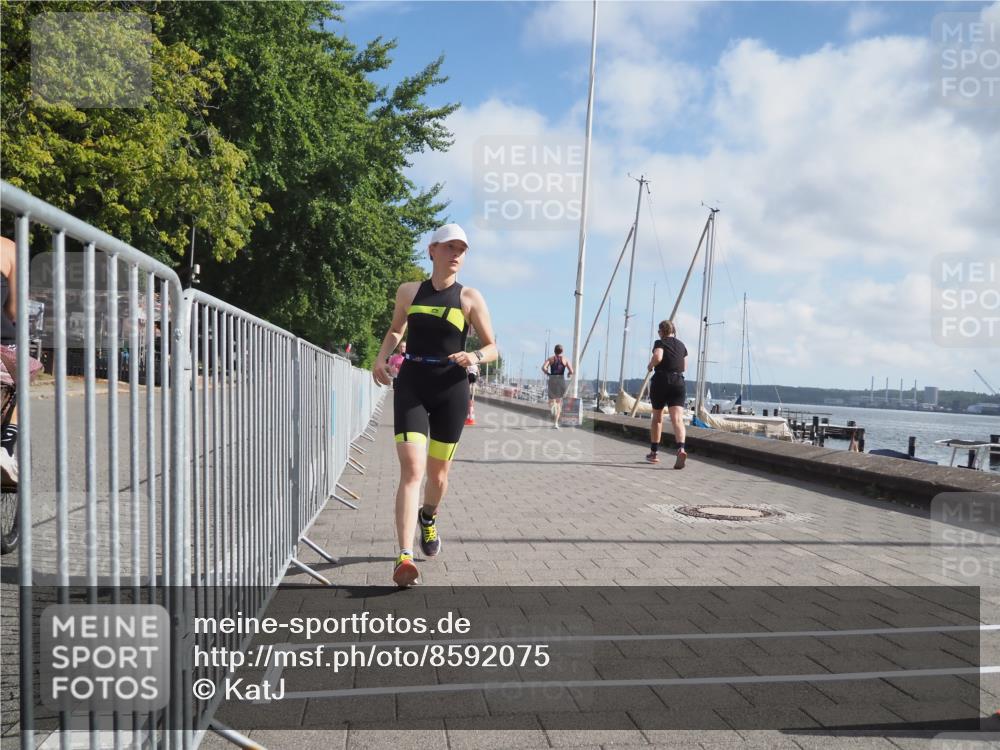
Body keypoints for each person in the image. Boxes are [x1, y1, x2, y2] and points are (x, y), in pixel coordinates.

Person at [372, 223, 498, 587]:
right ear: (432, 250)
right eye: (449, 247)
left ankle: (429, 517)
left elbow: (493, 346)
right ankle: (404, 556)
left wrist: (473, 354)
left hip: (451, 389)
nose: (456, 254)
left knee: (438, 475)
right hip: (412, 383)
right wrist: (381, 358)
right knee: (412, 470)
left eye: (462, 249)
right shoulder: (409, 291)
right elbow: (397, 329)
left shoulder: (470, 298)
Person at [646, 320, 688, 469]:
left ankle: (654, 453)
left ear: (662, 331)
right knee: (677, 419)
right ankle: (681, 448)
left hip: (662, 380)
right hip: (678, 381)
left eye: (659, 331)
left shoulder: (660, 342)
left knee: (657, 418)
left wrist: (650, 365)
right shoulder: (682, 345)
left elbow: (658, 357)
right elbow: (684, 366)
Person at [541, 344, 572, 429]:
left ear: (554, 351)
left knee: (551, 400)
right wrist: (569, 374)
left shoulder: (551, 359)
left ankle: (553, 409)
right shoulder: (565, 360)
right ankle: (556, 423)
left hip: (552, 379)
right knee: (559, 403)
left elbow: (543, 367)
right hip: (561, 381)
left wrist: (548, 374)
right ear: (562, 351)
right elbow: (571, 371)